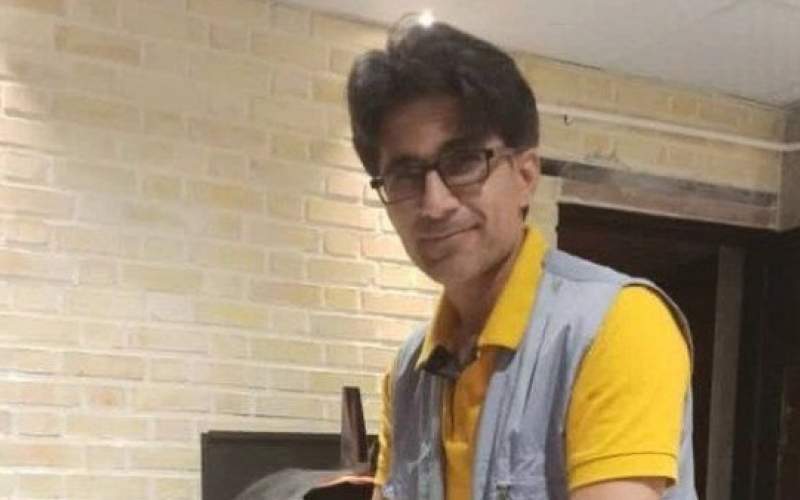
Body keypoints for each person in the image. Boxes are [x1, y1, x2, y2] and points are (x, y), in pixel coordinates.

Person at [346, 16, 696, 500]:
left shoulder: (618, 324)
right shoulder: (408, 373)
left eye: (464, 162)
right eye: (406, 175)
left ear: (526, 175)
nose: (435, 203)